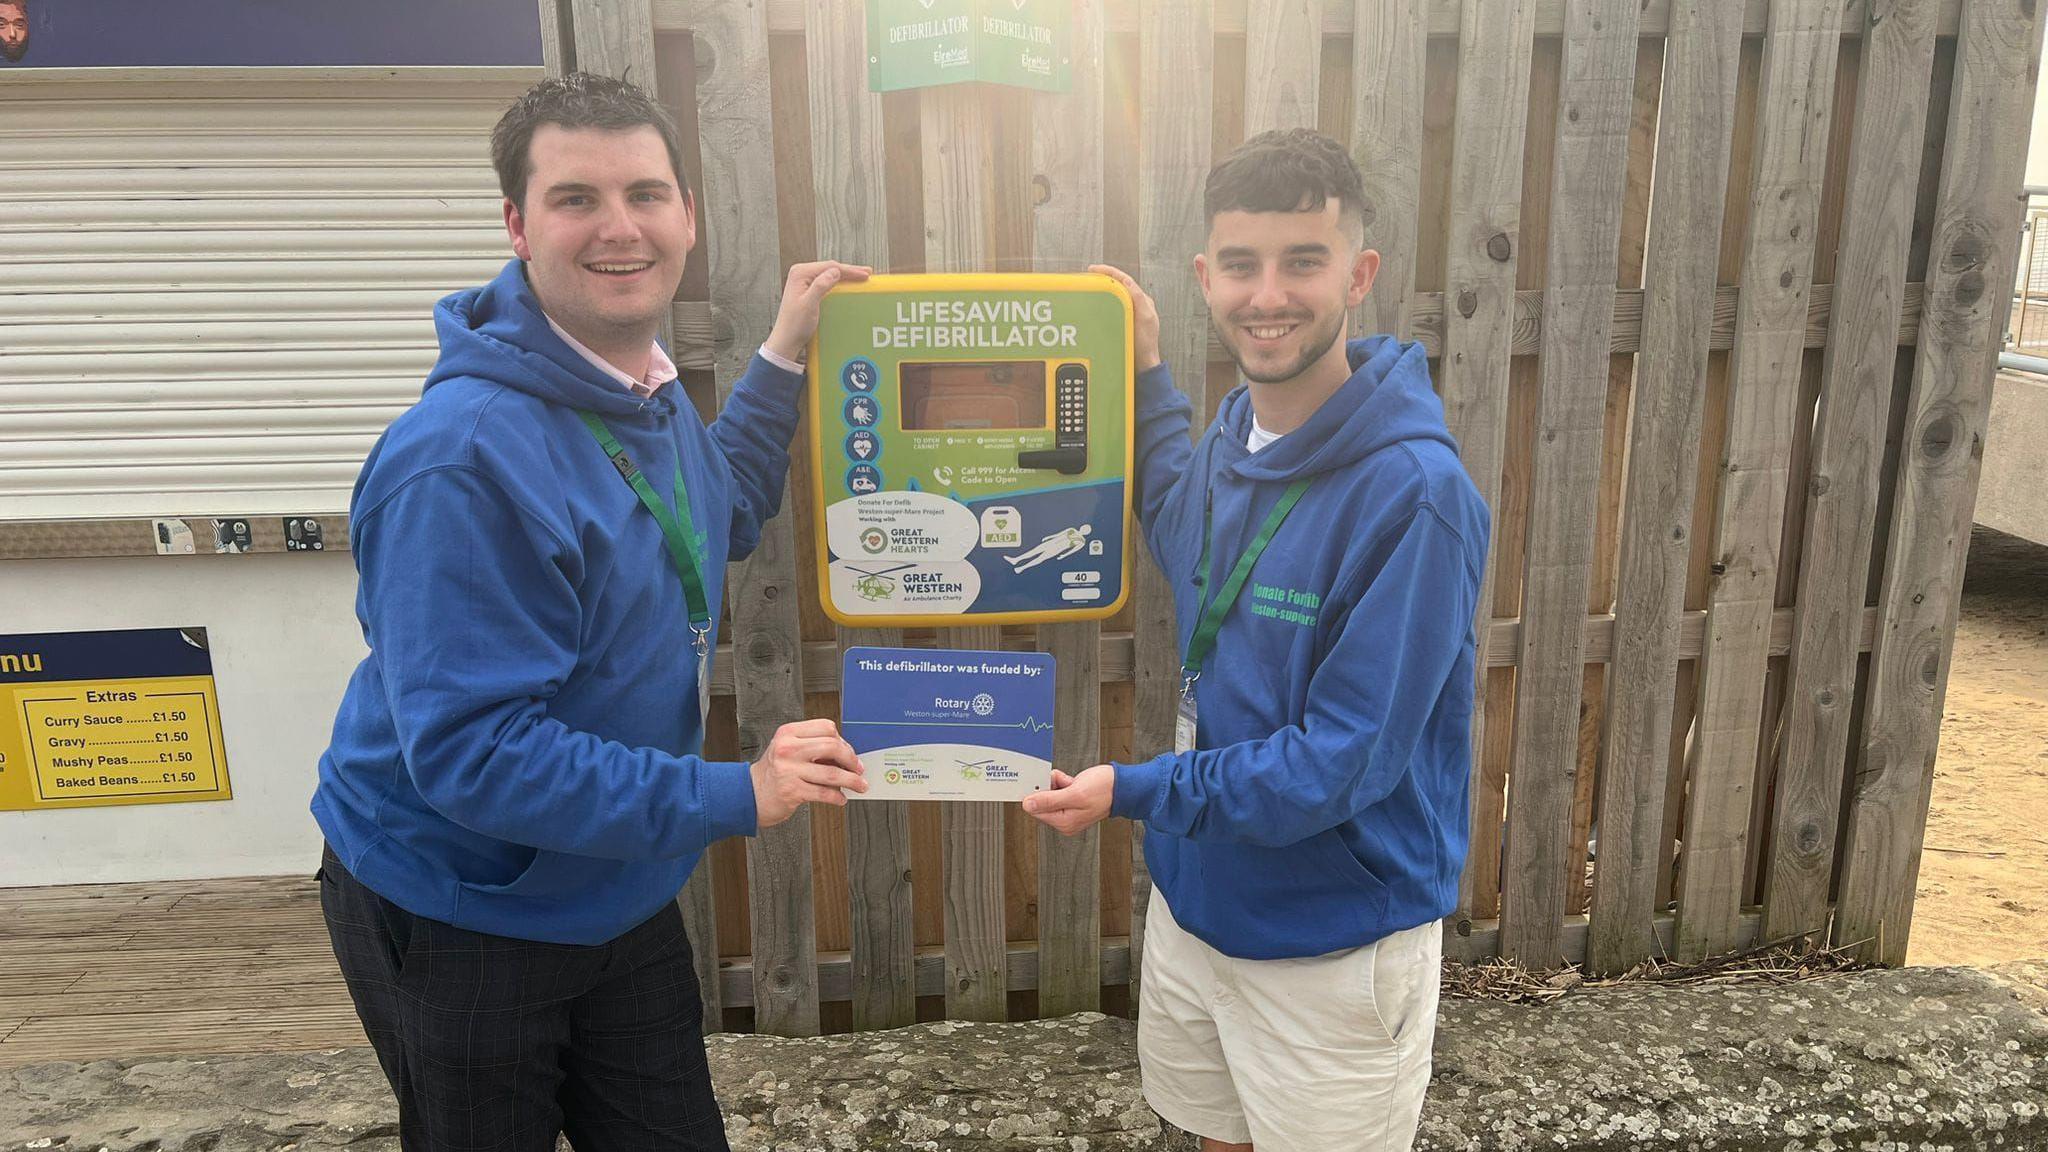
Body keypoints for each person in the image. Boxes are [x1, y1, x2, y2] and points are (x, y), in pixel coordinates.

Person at [310, 73, 869, 1152]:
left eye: (646, 195)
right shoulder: (462, 460)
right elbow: (475, 758)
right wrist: (737, 791)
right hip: (459, 900)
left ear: (687, 216)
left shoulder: (639, 396)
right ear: (517, 226)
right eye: (576, 200)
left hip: (613, 885)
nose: (620, 228)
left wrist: (785, 351)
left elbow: (720, 506)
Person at [1025, 127, 1490, 1151]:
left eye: (1301, 262)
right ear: (1205, 276)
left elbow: (1340, 763)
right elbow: (1170, 507)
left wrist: (1135, 792)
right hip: (1197, 910)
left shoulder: (1414, 497)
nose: (1265, 294)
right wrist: (1146, 369)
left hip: (1330, 945)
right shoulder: (1230, 445)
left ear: (1357, 275)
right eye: (1239, 265)